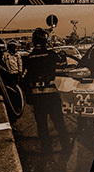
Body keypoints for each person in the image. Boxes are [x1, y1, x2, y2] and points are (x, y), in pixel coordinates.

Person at [21, 28, 68, 156]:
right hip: (51, 96)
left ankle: (47, 151)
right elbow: (63, 64)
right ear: (45, 41)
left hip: (37, 99)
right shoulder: (51, 55)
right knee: (59, 123)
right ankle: (66, 148)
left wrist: (28, 97)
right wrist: (62, 55)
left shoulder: (29, 58)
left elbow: (24, 79)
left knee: (42, 126)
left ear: (33, 41)